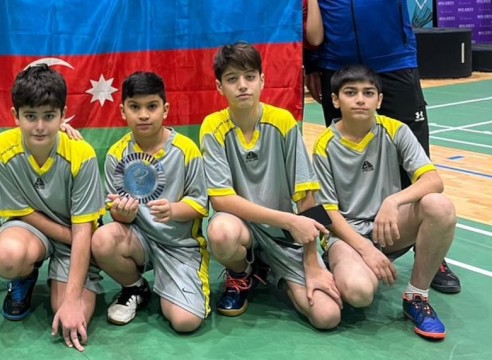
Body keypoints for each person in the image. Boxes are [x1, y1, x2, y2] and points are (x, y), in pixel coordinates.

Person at [299, 0, 459, 294]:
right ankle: (351, 241)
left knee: (414, 161)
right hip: (337, 70)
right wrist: (312, 64)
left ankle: (431, 252)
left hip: (393, 65)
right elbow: (307, 7)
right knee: (344, 161)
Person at [200, 43, 341, 330]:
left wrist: (312, 262)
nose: (242, 85)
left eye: (250, 77)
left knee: (327, 316)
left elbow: (307, 197)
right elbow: (221, 201)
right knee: (220, 231)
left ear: (262, 80)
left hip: (284, 237)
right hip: (243, 228)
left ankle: (276, 271)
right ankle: (242, 273)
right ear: (219, 86)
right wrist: (289, 220)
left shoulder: (283, 121)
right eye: (232, 79)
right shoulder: (212, 127)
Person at [312, 65, 456, 340]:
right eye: (350, 93)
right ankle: (345, 265)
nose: (360, 100)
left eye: (368, 93)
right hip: (346, 235)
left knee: (440, 206)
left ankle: (416, 296)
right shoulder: (325, 145)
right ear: (335, 100)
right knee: (360, 293)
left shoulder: (396, 130)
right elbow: (326, 212)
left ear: (379, 100)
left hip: (387, 227)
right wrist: (365, 248)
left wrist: (393, 201)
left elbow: (433, 181)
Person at [0, 64, 105, 352]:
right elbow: (18, 210)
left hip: (76, 234)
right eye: (30, 116)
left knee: (68, 315)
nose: (40, 126)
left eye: (49, 116)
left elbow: (83, 228)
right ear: (15, 115)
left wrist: (73, 301)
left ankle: (69, 280)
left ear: (63, 115)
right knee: (7, 256)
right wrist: (71, 237)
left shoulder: (82, 154)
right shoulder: (0, 149)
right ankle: (24, 276)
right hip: (34, 229)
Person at [91, 72, 209, 332]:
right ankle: (135, 287)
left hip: (180, 246)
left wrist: (174, 210)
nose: (143, 115)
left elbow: (200, 204)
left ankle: (174, 284)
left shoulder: (186, 150)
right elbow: (118, 216)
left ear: (165, 109)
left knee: (185, 322)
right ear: (123, 111)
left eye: (152, 106)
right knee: (102, 239)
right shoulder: (116, 155)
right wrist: (123, 213)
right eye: (135, 107)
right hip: (140, 241)